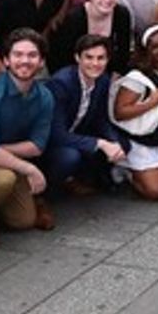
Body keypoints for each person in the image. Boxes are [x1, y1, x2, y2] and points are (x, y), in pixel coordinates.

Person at [0, 29, 55, 254]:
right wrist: (29, 168)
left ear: (41, 61)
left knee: (22, 222)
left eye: (32, 55)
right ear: (6, 59)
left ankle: (1, 206)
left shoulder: (45, 96)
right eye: (18, 54)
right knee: (3, 179)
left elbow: (37, 146)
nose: (25, 60)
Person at [42, 34, 125, 196]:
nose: (95, 63)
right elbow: (56, 134)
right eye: (89, 57)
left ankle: (80, 178)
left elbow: (101, 119)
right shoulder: (61, 83)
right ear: (77, 58)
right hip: (49, 143)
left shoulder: (103, 80)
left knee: (121, 143)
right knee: (70, 156)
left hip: (77, 132)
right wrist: (100, 143)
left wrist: (114, 142)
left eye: (101, 58)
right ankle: (43, 194)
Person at [112, 25, 158, 200]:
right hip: (143, 138)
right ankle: (126, 170)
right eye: (155, 47)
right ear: (146, 51)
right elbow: (119, 112)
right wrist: (151, 103)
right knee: (157, 192)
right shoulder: (138, 77)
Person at [48, 0, 133, 76]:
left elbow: (123, 54)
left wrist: (115, 75)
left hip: (107, 73)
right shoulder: (75, 18)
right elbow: (62, 57)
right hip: (74, 73)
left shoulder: (122, 15)